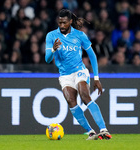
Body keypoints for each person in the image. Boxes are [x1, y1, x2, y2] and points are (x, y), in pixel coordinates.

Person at [45, 9, 112, 140]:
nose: (62, 26)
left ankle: (104, 129)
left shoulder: (80, 35)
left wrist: (96, 78)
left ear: (70, 22)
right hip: (64, 75)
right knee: (71, 101)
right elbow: (47, 59)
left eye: (64, 23)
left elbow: (92, 56)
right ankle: (91, 132)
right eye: (60, 23)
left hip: (79, 70)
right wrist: (53, 49)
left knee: (84, 94)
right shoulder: (51, 36)